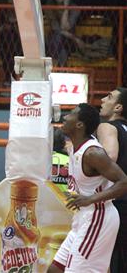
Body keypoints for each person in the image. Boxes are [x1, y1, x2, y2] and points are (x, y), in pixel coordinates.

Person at [48, 103, 127, 273]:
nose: (65, 117)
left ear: (79, 125)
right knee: (55, 269)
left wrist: (89, 199)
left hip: (98, 217)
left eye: (71, 114)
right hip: (83, 217)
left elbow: (124, 182)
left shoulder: (93, 153)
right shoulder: (74, 147)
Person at [97, 88, 127, 273]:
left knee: (110, 261)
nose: (102, 99)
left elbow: (109, 156)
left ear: (118, 107)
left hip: (118, 202)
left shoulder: (107, 127)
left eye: (108, 96)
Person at [45, 0, 81, 67]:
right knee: (58, 39)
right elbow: (57, 28)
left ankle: (54, 65)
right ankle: (60, 67)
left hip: (69, 42)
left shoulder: (74, 8)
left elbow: (67, 27)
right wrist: (76, 39)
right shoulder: (49, 7)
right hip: (54, 40)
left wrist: (66, 9)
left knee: (59, 38)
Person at [51, 128, 70, 193]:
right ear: (63, 142)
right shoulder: (70, 161)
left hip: (45, 200)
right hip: (67, 200)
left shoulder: (42, 160)